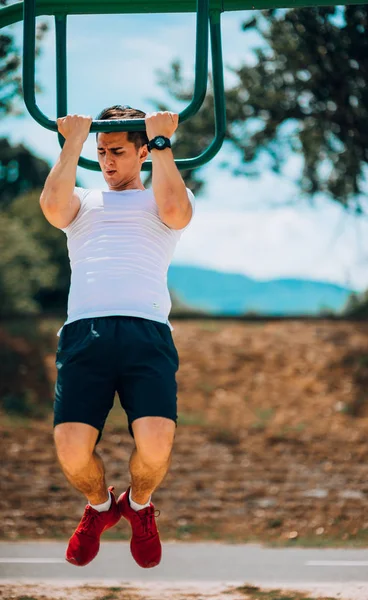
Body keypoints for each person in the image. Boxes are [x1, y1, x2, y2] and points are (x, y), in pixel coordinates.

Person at [39, 105, 195, 569]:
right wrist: (72, 142)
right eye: (102, 152)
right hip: (84, 332)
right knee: (70, 452)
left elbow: (177, 212)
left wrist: (163, 142)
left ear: (143, 152)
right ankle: (101, 507)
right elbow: (51, 207)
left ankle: (140, 506)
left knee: (155, 444)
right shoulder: (83, 200)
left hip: (146, 333)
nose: (107, 161)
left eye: (118, 152)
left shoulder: (163, 194)